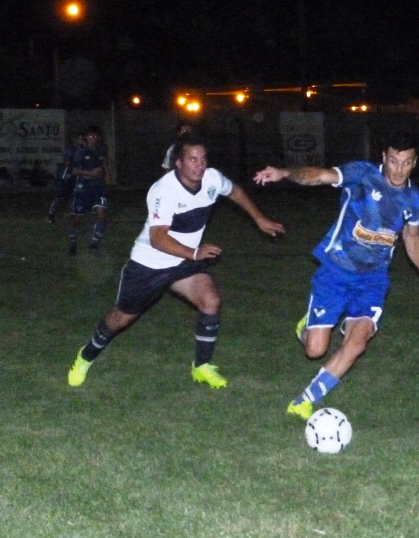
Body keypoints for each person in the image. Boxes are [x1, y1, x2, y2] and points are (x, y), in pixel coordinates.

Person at [68, 132, 286, 388]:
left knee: (210, 301)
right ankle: (85, 357)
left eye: (203, 158)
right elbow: (158, 238)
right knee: (120, 320)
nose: (200, 165)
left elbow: (235, 191)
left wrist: (258, 218)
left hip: (182, 261)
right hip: (150, 264)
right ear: (178, 163)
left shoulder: (212, 179)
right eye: (192, 159)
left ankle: (201, 366)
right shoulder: (164, 190)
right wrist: (194, 253)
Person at [253, 130, 419, 419]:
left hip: (374, 280)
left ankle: (305, 400)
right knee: (315, 350)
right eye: (393, 161)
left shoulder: (413, 198)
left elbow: (412, 237)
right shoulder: (362, 175)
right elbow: (317, 175)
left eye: (406, 163)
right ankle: (308, 327)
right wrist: (284, 172)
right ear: (384, 157)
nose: (398, 169)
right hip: (336, 271)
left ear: (415, 162)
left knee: (357, 343)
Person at [68, 125, 111, 255]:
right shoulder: (79, 151)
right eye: (90, 136)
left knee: (102, 214)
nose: (93, 138)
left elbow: (104, 164)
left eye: (95, 136)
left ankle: (94, 244)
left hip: (98, 187)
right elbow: (74, 170)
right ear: (86, 137)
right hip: (83, 187)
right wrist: (89, 173)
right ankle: (73, 242)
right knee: (76, 218)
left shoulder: (101, 150)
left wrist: (107, 175)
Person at [47, 131, 86, 224]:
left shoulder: (83, 150)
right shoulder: (71, 149)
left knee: (76, 195)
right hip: (66, 176)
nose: (82, 141)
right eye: (81, 139)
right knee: (60, 196)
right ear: (76, 139)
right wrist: (72, 170)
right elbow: (68, 163)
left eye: (83, 139)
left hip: (75, 176)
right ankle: (51, 214)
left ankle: (71, 214)